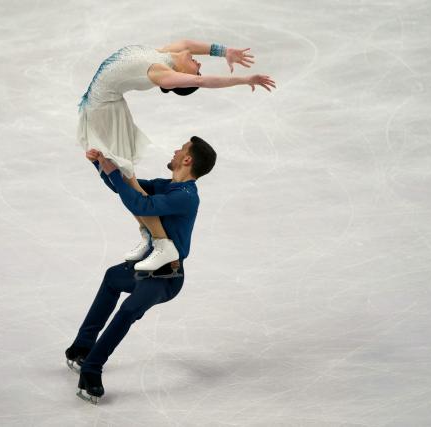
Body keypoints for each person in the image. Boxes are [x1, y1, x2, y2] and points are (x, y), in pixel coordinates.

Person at [77, 40, 275, 272]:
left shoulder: (162, 74)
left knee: (128, 178)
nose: (198, 64)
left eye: (196, 68)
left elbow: (201, 80)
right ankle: (150, 236)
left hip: (104, 111)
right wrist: (224, 52)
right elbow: (188, 44)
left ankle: (161, 242)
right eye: (198, 66)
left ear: (179, 77)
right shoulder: (163, 54)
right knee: (125, 176)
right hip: (100, 106)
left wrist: (245, 80)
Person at [65, 136, 217, 405]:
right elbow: (124, 187)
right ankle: (82, 347)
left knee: (129, 309)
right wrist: (102, 164)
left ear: (187, 159)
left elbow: (140, 204)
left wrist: (115, 171)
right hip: (145, 266)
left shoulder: (186, 197)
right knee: (113, 277)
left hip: (166, 277)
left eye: (180, 149)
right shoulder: (166, 186)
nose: (175, 149)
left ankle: (91, 370)